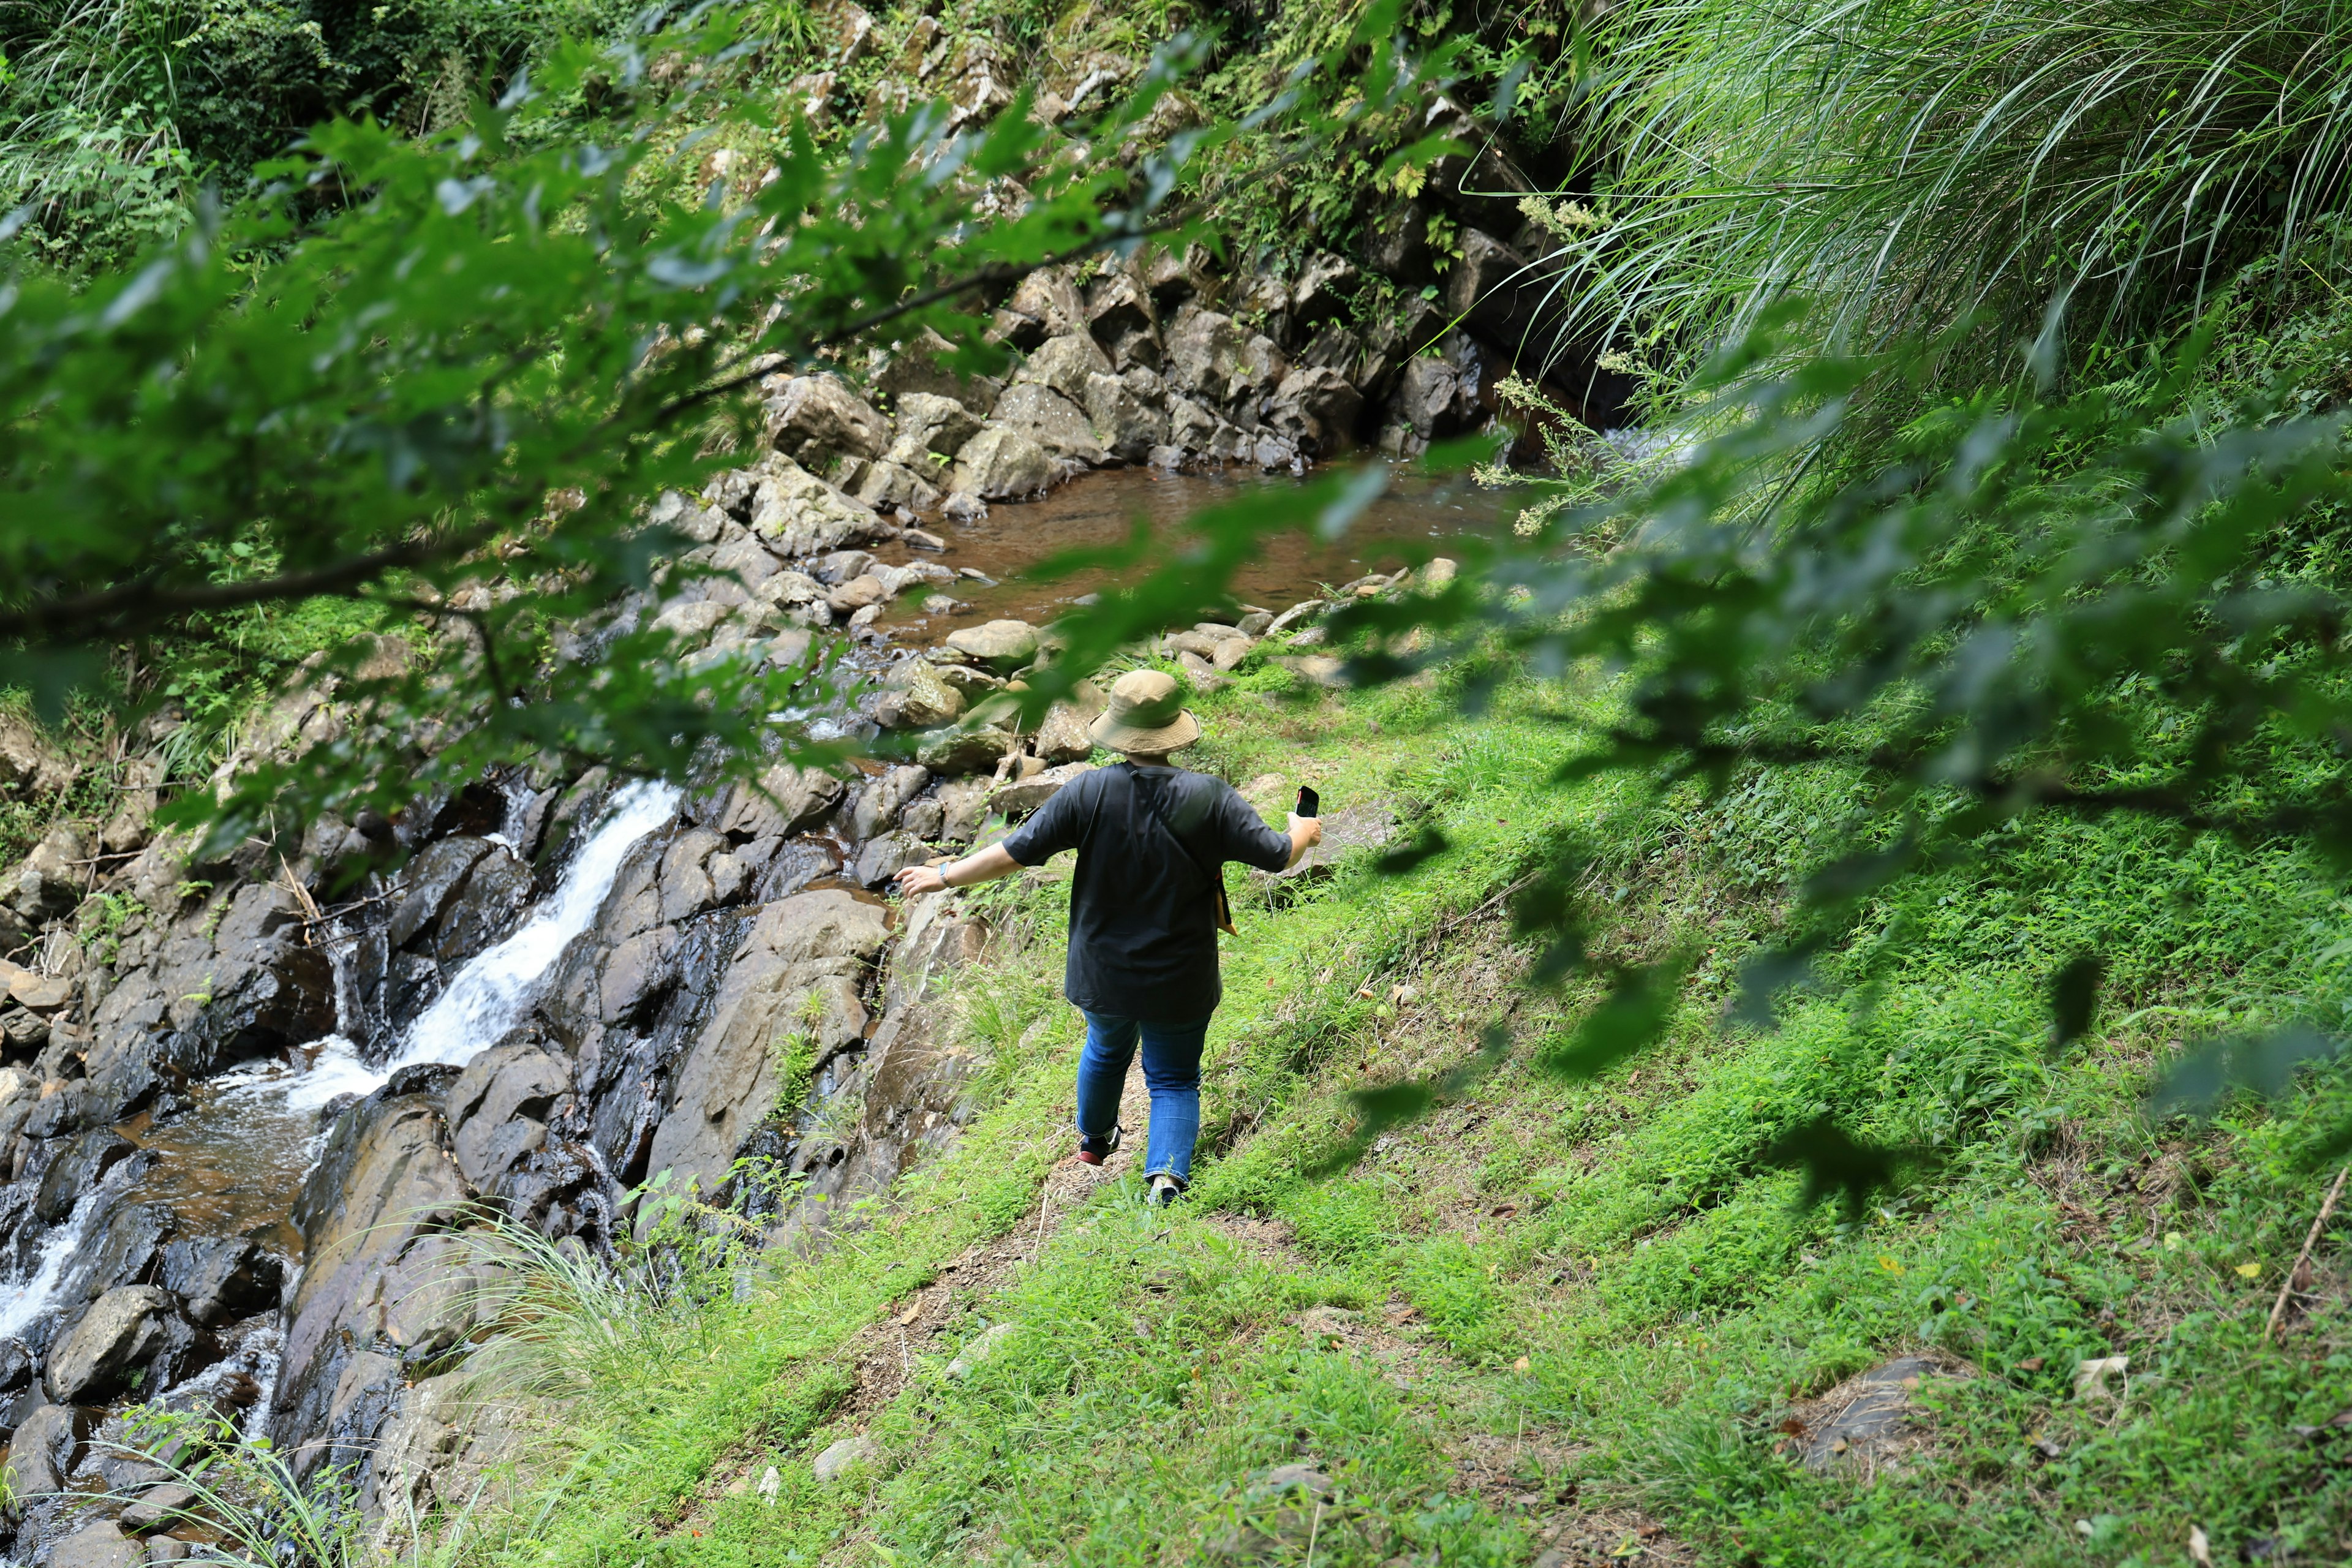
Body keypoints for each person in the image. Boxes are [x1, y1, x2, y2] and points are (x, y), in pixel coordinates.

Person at [894, 668, 1322, 1204]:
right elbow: (1281, 855)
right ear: (1173, 731)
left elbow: (1016, 852)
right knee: (1173, 1078)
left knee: (1105, 1048)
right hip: (1180, 975)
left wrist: (945, 874)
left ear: (1117, 730)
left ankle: (1096, 1141)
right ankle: (1165, 1178)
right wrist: (1302, 830)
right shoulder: (1209, 797)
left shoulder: (1089, 792)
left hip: (1102, 972)